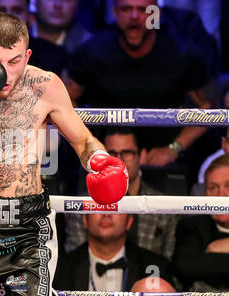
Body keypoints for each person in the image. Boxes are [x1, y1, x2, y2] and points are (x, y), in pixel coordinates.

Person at [0, 13, 129, 296]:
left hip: (24, 228)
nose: (6, 74)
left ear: (28, 55)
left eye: (15, 61)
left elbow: (83, 141)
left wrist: (99, 160)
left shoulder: (45, 86)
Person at [65, 0, 213, 178]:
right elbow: (66, 102)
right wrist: (89, 144)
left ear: (155, 14)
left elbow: (208, 107)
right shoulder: (92, 51)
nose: (134, 16)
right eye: (126, 9)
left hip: (164, 162)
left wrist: (173, 148)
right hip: (103, 159)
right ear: (115, 13)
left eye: (143, 10)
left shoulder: (182, 52)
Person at [63, 127, 180, 260]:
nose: (119, 160)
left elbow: (167, 264)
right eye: (111, 153)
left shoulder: (162, 207)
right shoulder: (83, 204)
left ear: (141, 156)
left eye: (127, 153)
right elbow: (73, 263)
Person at [53, 213, 175, 292]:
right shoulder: (59, 270)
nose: (106, 214)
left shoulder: (156, 268)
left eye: (115, 207)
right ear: (85, 219)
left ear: (129, 221)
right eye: (99, 205)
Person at [173, 154, 229, 292]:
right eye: (213, 188)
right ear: (205, 194)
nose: (221, 195)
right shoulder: (192, 226)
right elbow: (185, 268)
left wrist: (214, 253)